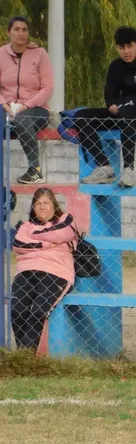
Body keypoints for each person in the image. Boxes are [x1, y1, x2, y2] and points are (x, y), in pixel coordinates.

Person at [76, 27, 136, 188]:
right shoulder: (115, 67)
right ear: (117, 48)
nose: (126, 51)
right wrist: (112, 106)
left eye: (129, 46)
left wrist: (122, 106)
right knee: (81, 117)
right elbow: (109, 96)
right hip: (121, 115)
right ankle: (104, 166)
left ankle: (128, 170)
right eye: (122, 47)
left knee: (127, 116)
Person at [10, 188, 79, 351]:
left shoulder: (65, 220)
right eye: (37, 203)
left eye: (46, 202)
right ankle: (24, 355)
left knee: (38, 312)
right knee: (17, 312)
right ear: (32, 208)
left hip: (56, 272)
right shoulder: (26, 226)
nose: (42, 207)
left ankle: (25, 359)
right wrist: (47, 244)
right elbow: (19, 244)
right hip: (27, 270)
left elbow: (61, 233)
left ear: (54, 206)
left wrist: (34, 239)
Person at [1, 16, 53, 185]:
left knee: (22, 120)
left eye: (24, 30)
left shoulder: (40, 54)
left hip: (36, 109)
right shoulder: (1, 54)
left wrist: (25, 106)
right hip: (6, 108)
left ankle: (35, 170)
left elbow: (48, 88)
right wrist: (4, 104)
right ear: (9, 32)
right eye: (16, 29)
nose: (21, 34)